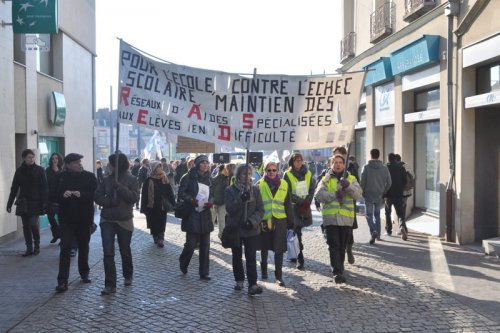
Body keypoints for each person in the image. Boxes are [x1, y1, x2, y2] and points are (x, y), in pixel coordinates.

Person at [94, 153, 139, 295]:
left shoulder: (132, 179)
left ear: (115, 165)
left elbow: (133, 198)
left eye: (110, 163)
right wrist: (108, 202)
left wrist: (120, 188)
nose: (108, 166)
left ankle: (128, 274)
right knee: (108, 252)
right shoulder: (106, 180)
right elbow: (97, 195)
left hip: (124, 219)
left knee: (125, 250)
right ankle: (110, 284)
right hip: (107, 219)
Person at [314, 154, 362, 283]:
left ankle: (339, 268)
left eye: (340, 162)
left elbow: (358, 195)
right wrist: (334, 194)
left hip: (346, 219)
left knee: (342, 246)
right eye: (335, 162)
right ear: (331, 164)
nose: (338, 164)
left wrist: (348, 186)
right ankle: (337, 272)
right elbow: (318, 195)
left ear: (344, 164)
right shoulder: (326, 179)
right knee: (333, 245)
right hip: (331, 219)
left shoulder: (351, 178)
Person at [53, 153, 97, 293]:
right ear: (68, 165)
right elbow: (53, 196)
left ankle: (84, 272)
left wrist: (82, 194)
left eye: (79, 161)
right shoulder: (60, 178)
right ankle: (62, 281)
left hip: (84, 219)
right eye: (76, 162)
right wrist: (62, 195)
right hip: (66, 220)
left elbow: (96, 194)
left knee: (84, 246)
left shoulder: (89, 177)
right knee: (65, 248)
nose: (79, 164)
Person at [225, 164, 265, 295]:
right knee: (237, 256)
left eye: (249, 174)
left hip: (251, 229)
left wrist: (252, 221)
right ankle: (239, 280)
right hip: (236, 228)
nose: (247, 177)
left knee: (251, 256)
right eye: (244, 174)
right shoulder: (230, 190)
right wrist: (240, 199)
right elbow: (230, 209)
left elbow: (260, 210)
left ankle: (252, 284)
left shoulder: (255, 190)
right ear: (238, 175)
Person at [257, 161, 294, 287]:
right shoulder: (259, 184)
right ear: (265, 171)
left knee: (279, 249)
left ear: (277, 171)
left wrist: (291, 223)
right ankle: (264, 271)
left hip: (280, 221)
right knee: (264, 247)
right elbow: (256, 205)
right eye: (269, 170)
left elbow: (288, 204)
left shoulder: (284, 184)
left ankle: (279, 276)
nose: (272, 172)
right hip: (265, 220)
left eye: (274, 170)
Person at [178, 155, 214, 280]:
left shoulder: (210, 178)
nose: (205, 165)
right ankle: (183, 261)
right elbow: (181, 193)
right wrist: (191, 200)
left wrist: (211, 202)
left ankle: (204, 273)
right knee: (191, 245)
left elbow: (213, 194)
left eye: (207, 163)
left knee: (205, 246)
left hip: (205, 214)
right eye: (203, 163)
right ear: (197, 164)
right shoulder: (187, 177)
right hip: (192, 213)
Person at [6, 149, 48, 257]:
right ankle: (29, 248)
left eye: (33, 157)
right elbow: (14, 188)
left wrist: (44, 202)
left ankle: (37, 246)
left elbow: (44, 188)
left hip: (36, 202)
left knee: (33, 224)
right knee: (25, 226)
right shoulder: (19, 171)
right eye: (29, 157)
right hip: (23, 202)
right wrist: (9, 203)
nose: (31, 159)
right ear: (24, 158)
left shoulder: (40, 170)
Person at [283, 153, 315, 270]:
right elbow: (287, 192)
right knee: (297, 233)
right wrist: (301, 201)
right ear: (292, 162)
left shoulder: (308, 173)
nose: (298, 162)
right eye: (296, 160)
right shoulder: (287, 175)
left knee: (298, 232)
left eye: (300, 160)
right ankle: (300, 258)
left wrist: (307, 201)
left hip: (305, 207)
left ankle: (296, 252)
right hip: (293, 208)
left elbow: (312, 189)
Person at [140, 160, 176, 248]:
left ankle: (161, 239)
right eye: (158, 167)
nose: (160, 168)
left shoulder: (164, 178)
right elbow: (144, 195)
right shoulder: (148, 180)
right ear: (153, 168)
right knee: (153, 223)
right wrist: (143, 208)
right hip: (151, 206)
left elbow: (169, 192)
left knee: (162, 222)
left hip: (162, 206)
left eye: (160, 167)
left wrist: (173, 204)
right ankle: (155, 237)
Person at [360, 148, 392, 245]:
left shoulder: (366, 167)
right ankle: (378, 235)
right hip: (379, 194)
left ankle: (373, 230)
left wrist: (362, 192)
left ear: (370, 155)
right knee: (377, 215)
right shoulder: (384, 168)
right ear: (379, 155)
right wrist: (384, 191)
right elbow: (389, 182)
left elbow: (362, 182)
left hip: (368, 194)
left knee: (369, 215)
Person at [385, 153, 408, 240]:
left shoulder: (386, 168)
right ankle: (402, 226)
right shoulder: (401, 167)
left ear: (388, 159)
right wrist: (400, 189)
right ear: (395, 159)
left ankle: (389, 230)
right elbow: (405, 181)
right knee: (400, 213)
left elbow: (384, 181)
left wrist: (384, 193)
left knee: (388, 212)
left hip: (388, 194)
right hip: (398, 194)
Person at [45, 152, 64, 244]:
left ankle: (62, 237)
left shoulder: (63, 171)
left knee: (61, 219)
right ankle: (56, 234)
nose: (54, 160)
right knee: (51, 218)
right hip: (50, 198)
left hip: (60, 198)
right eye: (53, 158)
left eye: (56, 158)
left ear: (59, 160)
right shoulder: (47, 171)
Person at [210, 164, 229, 238]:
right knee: (211, 220)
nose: (227, 170)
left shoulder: (226, 179)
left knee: (222, 220)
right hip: (214, 203)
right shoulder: (215, 178)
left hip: (223, 203)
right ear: (221, 171)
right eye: (225, 169)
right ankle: (206, 235)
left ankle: (222, 235)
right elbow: (211, 189)